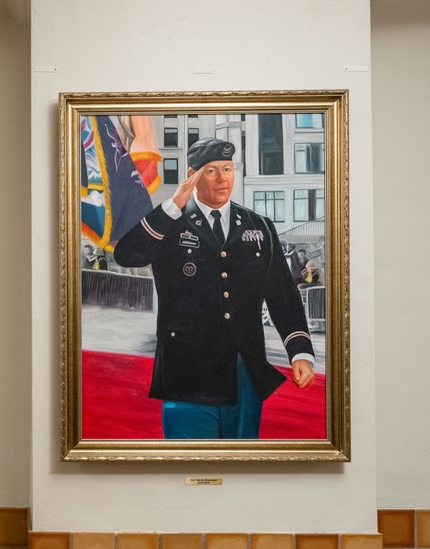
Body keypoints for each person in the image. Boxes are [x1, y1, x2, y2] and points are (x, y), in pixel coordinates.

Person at [114, 138, 315, 439]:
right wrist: (173, 204)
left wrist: (300, 352)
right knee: (187, 463)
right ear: (192, 175)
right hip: (187, 371)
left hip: (243, 370)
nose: (223, 178)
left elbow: (282, 295)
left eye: (227, 168)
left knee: (240, 465)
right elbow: (127, 255)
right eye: (211, 171)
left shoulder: (258, 225)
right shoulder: (170, 222)